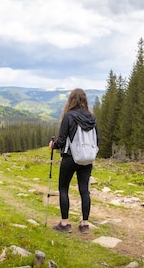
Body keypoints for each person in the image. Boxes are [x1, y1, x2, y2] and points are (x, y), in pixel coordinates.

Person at [49, 88, 98, 234]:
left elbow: (62, 140)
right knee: (85, 191)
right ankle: (85, 224)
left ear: (71, 100)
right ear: (85, 100)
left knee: (63, 189)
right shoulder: (91, 118)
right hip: (87, 158)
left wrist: (53, 145)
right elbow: (98, 140)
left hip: (70, 156)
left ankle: (65, 224)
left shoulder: (69, 116)